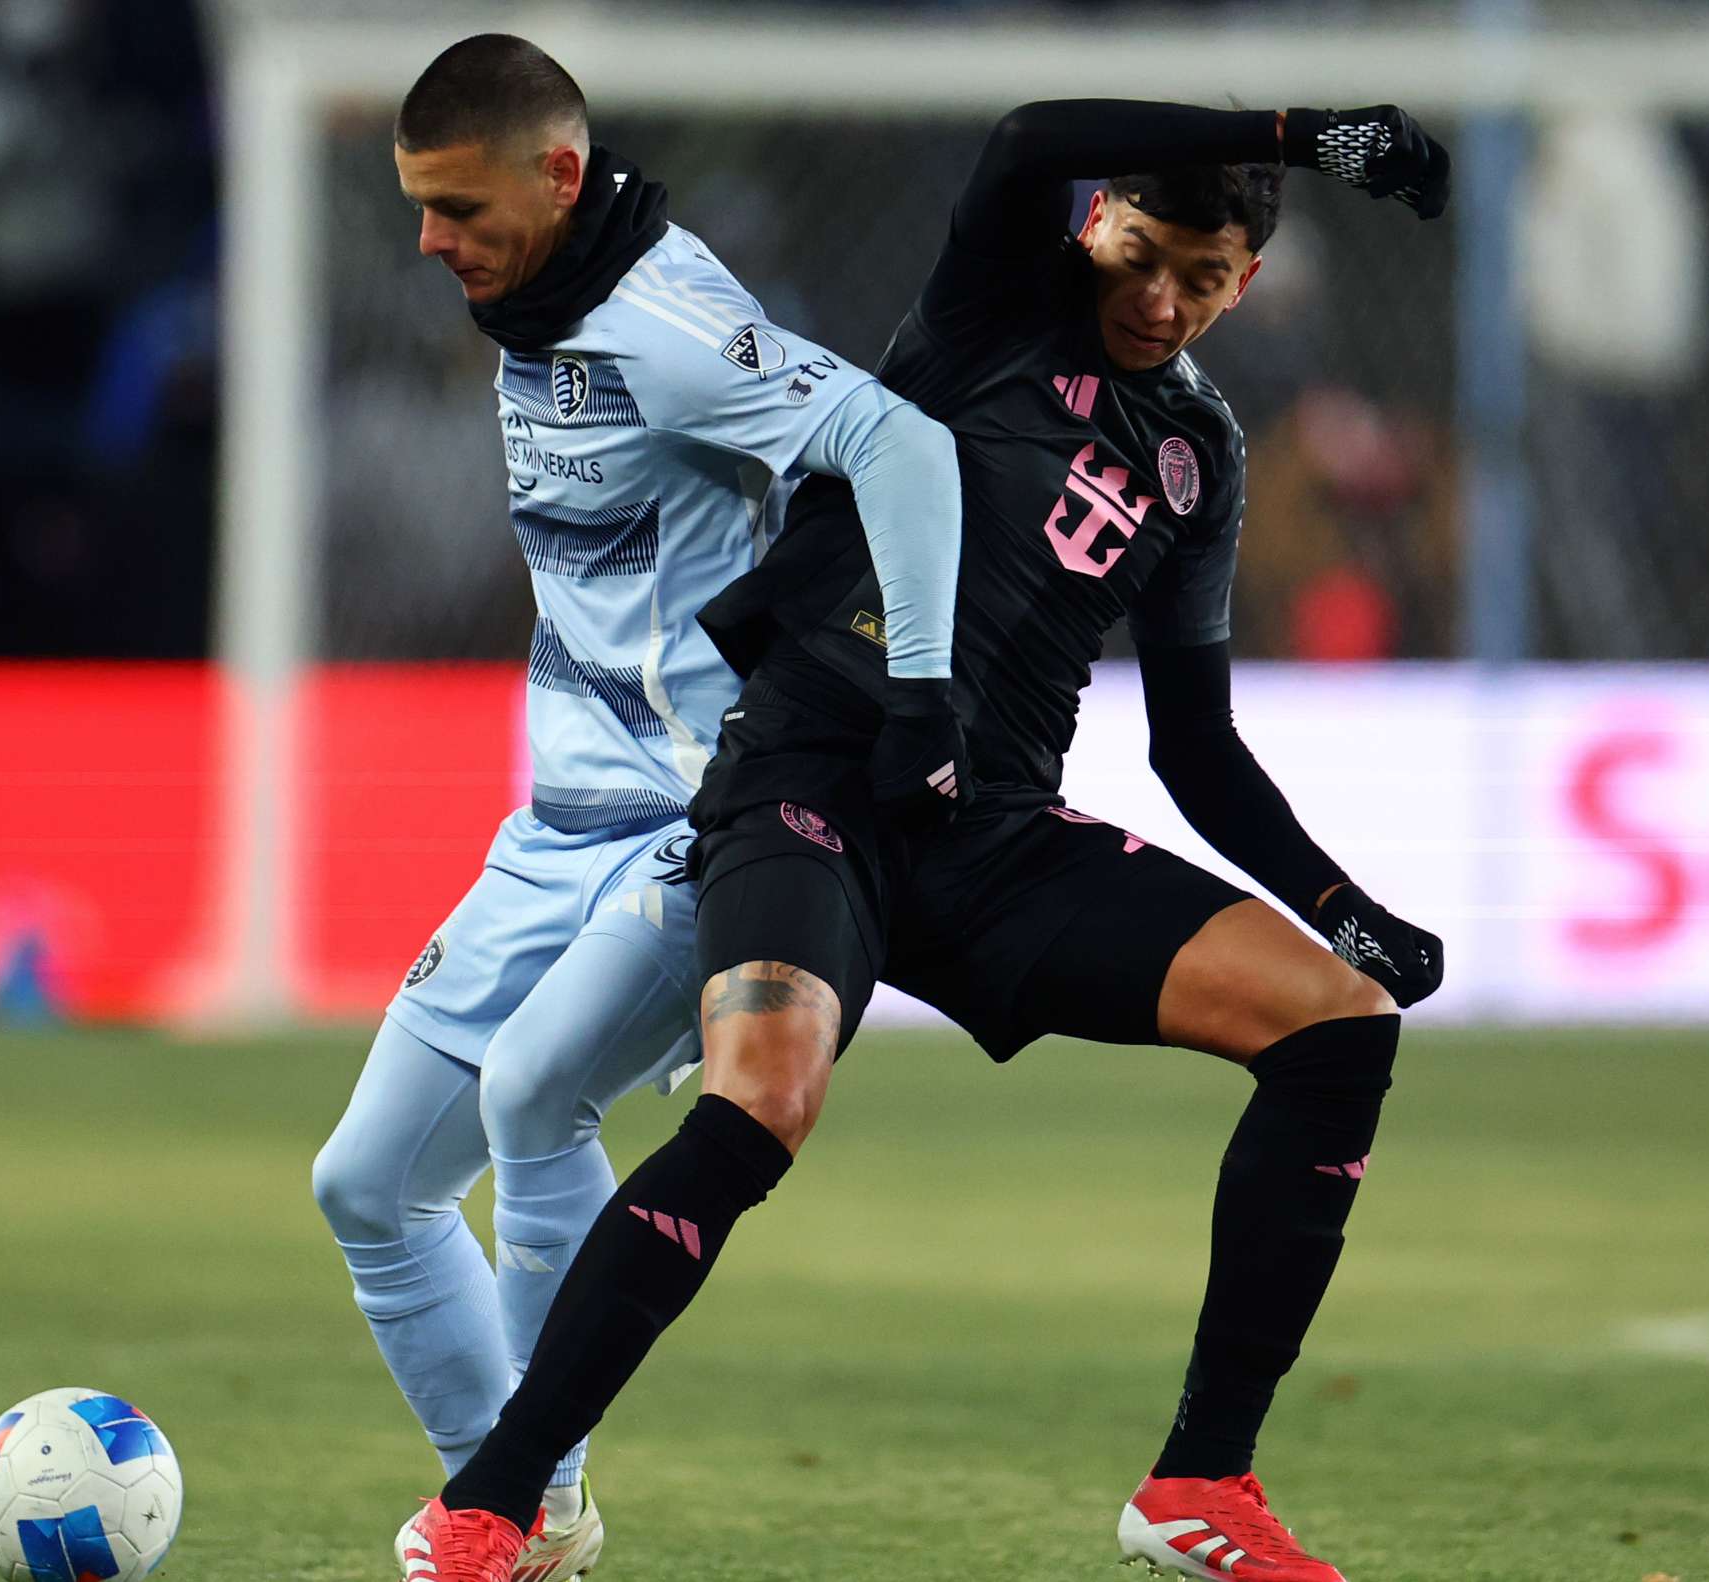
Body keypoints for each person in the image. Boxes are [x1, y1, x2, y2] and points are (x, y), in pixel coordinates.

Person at [409, 100, 1454, 1582]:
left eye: (1204, 280)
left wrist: (1344, 910)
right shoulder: (1002, 301)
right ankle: (489, 1505)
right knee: (762, 1096)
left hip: (994, 836)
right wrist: (1295, 134)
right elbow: (1031, 133)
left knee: (1335, 1026)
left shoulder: (1200, 455)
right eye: (1144, 255)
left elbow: (1193, 747)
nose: (1160, 302)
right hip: (815, 773)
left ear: (1243, 286)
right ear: (1099, 224)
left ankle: (1202, 1481)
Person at [308, 34, 965, 1582]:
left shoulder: (664, 321)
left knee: (538, 1091)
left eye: (457, 208)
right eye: (416, 207)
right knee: (366, 1184)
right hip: (552, 824)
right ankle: (523, 1509)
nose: (428, 241)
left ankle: (513, 1509)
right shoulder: (531, 298)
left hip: (705, 812)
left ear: (555, 174)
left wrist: (921, 692)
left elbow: (900, 443)